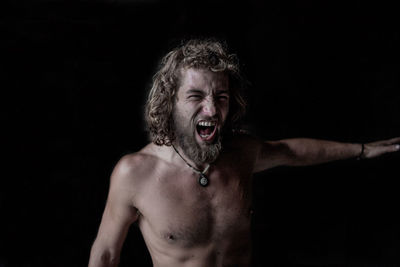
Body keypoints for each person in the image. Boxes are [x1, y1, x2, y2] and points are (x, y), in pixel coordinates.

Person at [88, 39, 400, 267]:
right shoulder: (135, 173)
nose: (211, 109)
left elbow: (292, 151)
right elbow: (104, 255)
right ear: (170, 103)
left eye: (221, 96)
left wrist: (361, 150)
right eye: (195, 95)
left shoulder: (241, 153)